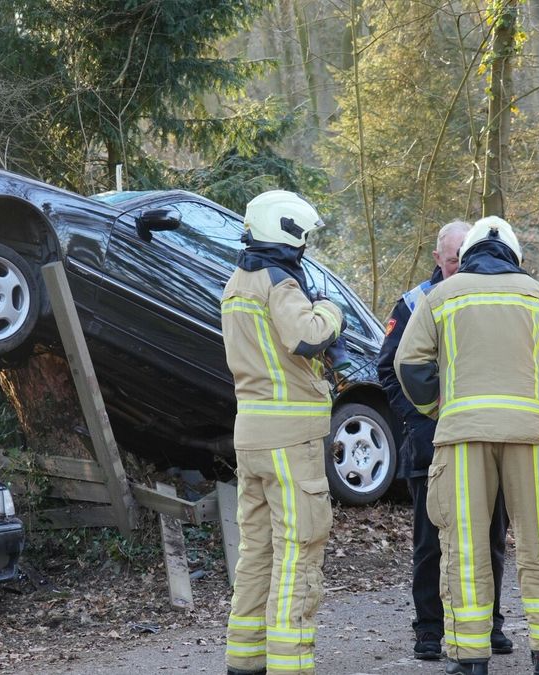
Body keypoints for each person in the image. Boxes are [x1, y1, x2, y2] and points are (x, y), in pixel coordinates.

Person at [395, 216, 539, 675]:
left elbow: (408, 363)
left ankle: (470, 657)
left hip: (461, 439)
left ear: (468, 255)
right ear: (515, 256)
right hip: (531, 439)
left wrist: (437, 408)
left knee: (465, 546)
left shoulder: (441, 296)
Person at [377, 220, 514, 661]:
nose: (460, 265)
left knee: (491, 539)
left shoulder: (495, 296)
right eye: (452, 259)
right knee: (431, 543)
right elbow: (390, 371)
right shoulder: (417, 302)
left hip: (488, 440)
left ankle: (488, 625)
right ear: (438, 258)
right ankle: (430, 630)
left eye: (464, 256)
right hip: (431, 444)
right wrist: (424, 425)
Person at [220, 190, 345, 675]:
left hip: (250, 436)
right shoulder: (279, 283)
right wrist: (331, 309)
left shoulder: (236, 283)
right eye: (303, 237)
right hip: (289, 439)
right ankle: (291, 663)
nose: (305, 247)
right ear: (286, 230)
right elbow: (307, 336)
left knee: (256, 553)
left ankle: (245, 661)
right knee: (299, 548)